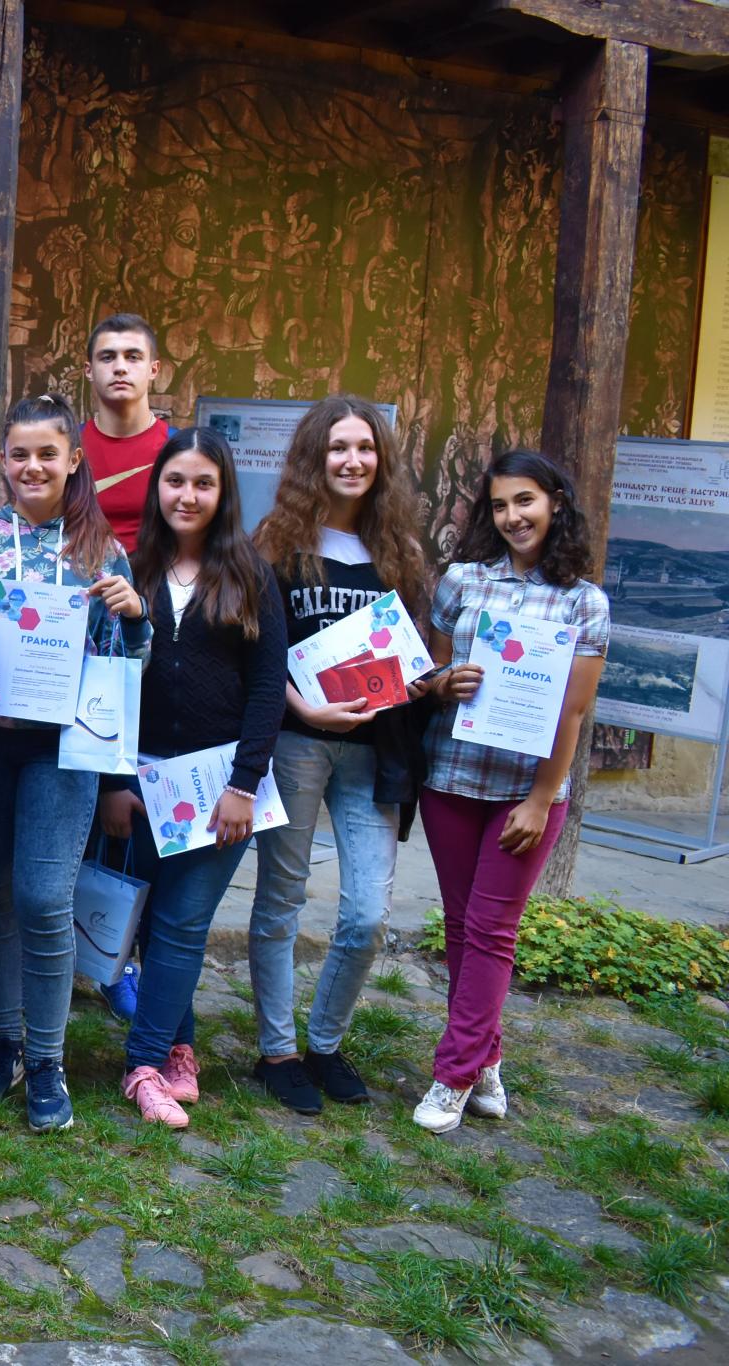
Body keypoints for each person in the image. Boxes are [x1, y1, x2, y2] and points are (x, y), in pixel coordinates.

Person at [0, 395, 149, 1132]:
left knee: (43, 897)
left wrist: (134, 617)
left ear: (73, 460)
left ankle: (46, 1058)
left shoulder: (102, 553)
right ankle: (4, 1042)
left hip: (65, 747)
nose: (32, 466)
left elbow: (129, 666)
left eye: (47, 454)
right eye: (19, 454)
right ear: (1, 461)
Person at [246, 397, 437, 1114]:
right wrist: (303, 709)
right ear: (313, 458)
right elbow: (255, 652)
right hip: (296, 743)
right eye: (337, 447)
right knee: (280, 901)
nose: (352, 460)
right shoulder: (276, 542)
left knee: (367, 914)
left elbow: (412, 653)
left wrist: (420, 679)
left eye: (364, 447)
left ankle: (324, 1043)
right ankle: (277, 1052)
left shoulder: (401, 551)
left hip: (374, 753)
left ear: (380, 459)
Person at [410, 451, 608, 1135]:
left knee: (493, 931)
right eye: (499, 506)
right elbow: (429, 671)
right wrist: (445, 683)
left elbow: (573, 711)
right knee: (461, 925)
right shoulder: (463, 580)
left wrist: (542, 798)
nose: (512, 517)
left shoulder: (584, 601)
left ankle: (453, 1075)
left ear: (555, 502)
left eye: (524, 501)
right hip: (452, 777)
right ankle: (485, 1059)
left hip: (525, 792)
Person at [106, 428, 285, 1129]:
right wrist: (111, 784)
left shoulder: (252, 576)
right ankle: (179, 1046)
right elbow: (108, 681)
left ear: (223, 492)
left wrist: (244, 784)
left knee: (183, 923)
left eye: (203, 483)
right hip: (141, 783)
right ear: (157, 487)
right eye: (175, 480)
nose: (188, 495)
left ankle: (143, 1065)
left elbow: (268, 689)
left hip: (219, 789)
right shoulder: (133, 569)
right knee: (151, 925)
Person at [81, 314, 168, 553]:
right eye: (107, 357)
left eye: (133, 357)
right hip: (78, 573)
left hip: (154, 574)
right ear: (89, 370)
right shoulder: (68, 447)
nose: (120, 368)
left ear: (153, 369)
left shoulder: (177, 449)